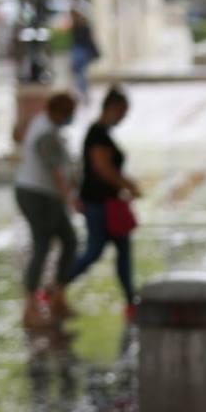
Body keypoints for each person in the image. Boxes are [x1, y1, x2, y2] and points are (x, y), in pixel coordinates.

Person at [61, 87, 141, 320]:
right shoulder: (97, 134)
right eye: (123, 112)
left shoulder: (102, 133)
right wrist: (127, 184)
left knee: (122, 250)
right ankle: (57, 284)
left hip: (110, 201)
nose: (124, 118)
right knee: (94, 251)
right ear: (113, 108)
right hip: (99, 202)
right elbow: (102, 168)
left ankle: (130, 300)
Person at [14, 92, 80, 327]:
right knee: (42, 245)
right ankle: (30, 306)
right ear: (60, 113)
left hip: (45, 194)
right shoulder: (45, 133)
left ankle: (57, 298)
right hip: (37, 194)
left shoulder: (43, 123)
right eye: (70, 113)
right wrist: (71, 199)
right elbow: (57, 172)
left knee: (69, 240)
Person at [69, 8, 100, 105]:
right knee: (79, 73)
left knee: (80, 73)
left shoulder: (83, 26)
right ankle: (83, 93)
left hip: (81, 51)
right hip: (78, 51)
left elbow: (88, 40)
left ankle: (83, 93)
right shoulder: (77, 25)